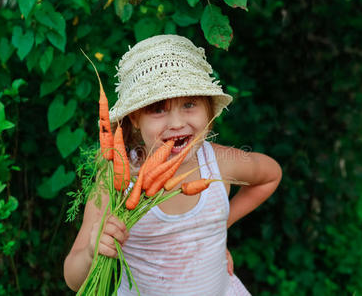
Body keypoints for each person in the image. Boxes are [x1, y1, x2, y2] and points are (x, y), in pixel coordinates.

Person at [64, 34, 282, 295]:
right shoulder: (117, 179)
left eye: (189, 104)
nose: (177, 123)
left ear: (209, 113)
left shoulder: (220, 164)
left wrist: (219, 227)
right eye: (158, 109)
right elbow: (74, 279)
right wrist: (92, 250)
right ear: (135, 119)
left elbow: (271, 175)